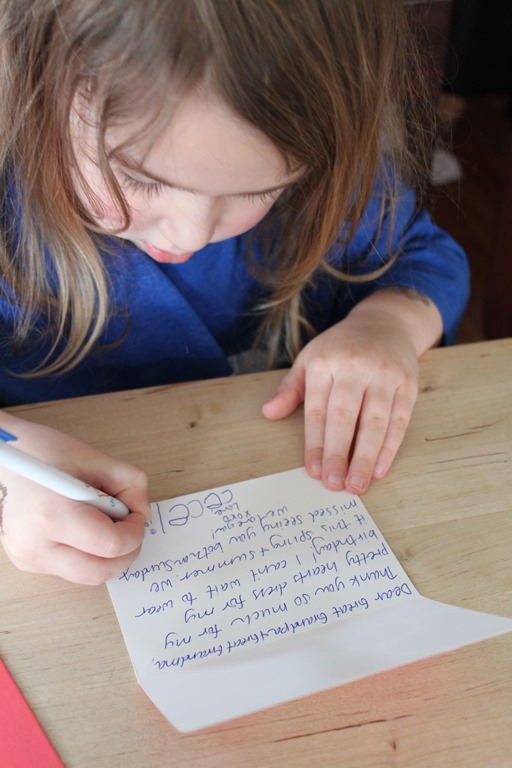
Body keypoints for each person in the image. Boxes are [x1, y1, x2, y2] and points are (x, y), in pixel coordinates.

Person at [0, 0, 469, 584]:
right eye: (142, 179)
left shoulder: (331, 182)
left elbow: (425, 257)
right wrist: (9, 482)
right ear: (36, 86)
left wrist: (389, 325)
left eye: (258, 190)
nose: (191, 234)